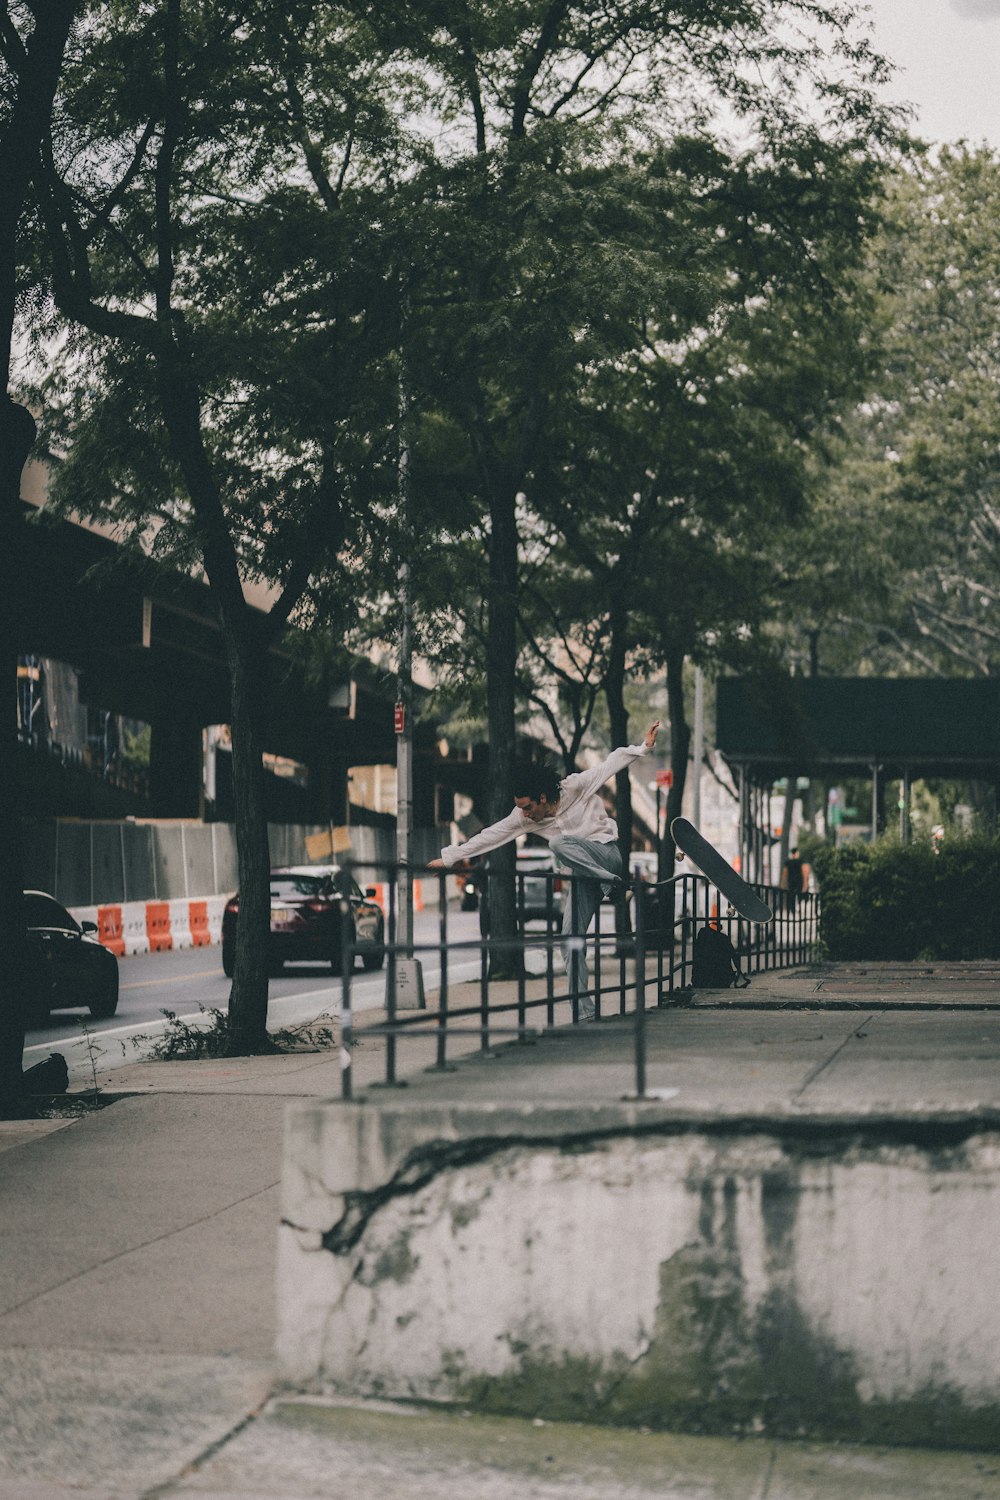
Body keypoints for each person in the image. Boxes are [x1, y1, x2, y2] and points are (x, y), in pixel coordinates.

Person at [429, 721, 660, 1020]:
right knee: (569, 938)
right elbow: (490, 834)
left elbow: (609, 765)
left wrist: (643, 748)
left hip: (607, 855)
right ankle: (584, 1012)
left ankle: (612, 882)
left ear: (541, 797)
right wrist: (450, 858)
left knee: (560, 845)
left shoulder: (574, 787)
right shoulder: (523, 818)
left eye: (527, 807)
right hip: (585, 875)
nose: (525, 814)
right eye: (521, 809)